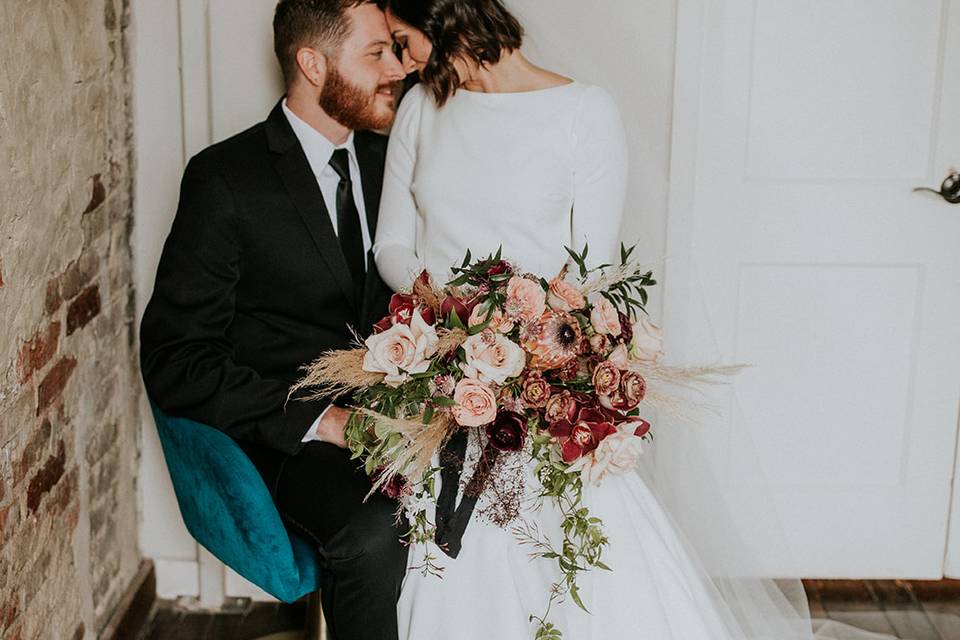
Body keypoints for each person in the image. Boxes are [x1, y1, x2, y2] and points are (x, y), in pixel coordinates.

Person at [372, 1, 901, 639]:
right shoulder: (421, 109)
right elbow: (391, 246)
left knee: (572, 571)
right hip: (441, 376)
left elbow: (589, 271)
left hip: (544, 379)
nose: (399, 63)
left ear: (446, 17)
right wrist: (452, 310)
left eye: (403, 41)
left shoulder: (584, 111)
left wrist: (521, 331)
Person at [140, 2, 409, 638]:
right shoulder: (225, 180)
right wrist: (324, 421)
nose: (396, 68)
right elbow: (175, 357)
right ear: (312, 64)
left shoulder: (391, 161)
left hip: (395, 411)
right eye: (376, 54)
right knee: (375, 533)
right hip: (286, 434)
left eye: (394, 49)